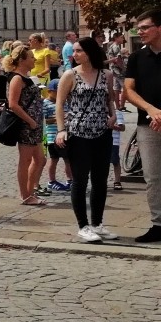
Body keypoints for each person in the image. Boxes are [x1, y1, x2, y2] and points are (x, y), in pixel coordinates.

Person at [55, 36, 117, 242]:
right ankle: (83, 225)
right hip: (79, 134)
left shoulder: (105, 74)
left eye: (78, 50)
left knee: (100, 181)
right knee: (80, 181)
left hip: (102, 133)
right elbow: (60, 105)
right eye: (74, 51)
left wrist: (113, 114)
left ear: (90, 52)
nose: (74, 55)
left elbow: (109, 100)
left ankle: (97, 223)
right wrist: (61, 130)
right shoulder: (70, 75)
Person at [123, 9, 161, 243]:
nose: (140, 32)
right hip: (147, 125)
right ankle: (158, 224)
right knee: (153, 176)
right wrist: (151, 109)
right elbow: (128, 90)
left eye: (145, 27)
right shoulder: (137, 57)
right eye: (139, 28)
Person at [3, 46, 46, 206]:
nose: (34, 59)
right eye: (31, 57)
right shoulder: (16, 78)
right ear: (22, 60)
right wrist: (30, 121)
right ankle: (26, 195)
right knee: (26, 160)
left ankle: (30, 192)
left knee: (40, 159)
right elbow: (13, 104)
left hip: (34, 125)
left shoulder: (26, 76)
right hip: (26, 125)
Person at [107, 31, 130, 109]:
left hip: (113, 70)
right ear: (116, 38)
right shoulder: (116, 47)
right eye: (121, 37)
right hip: (118, 70)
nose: (122, 39)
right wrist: (123, 68)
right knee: (125, 87)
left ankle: (117, 106)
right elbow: (118, 59)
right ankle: (122, 105)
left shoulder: (112, 46)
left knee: (117, 88)